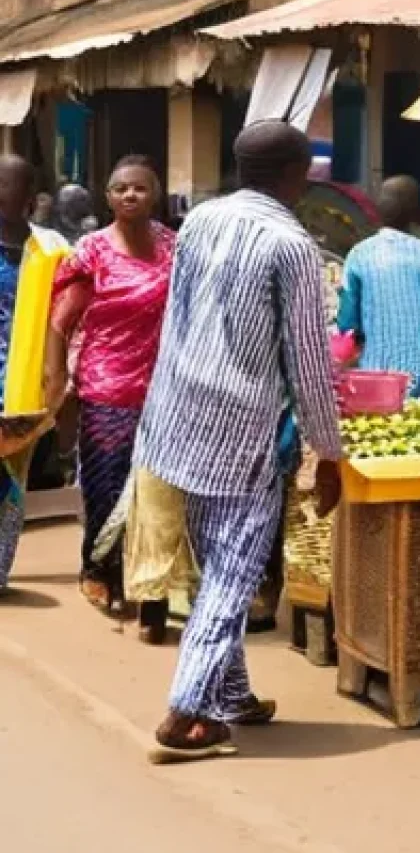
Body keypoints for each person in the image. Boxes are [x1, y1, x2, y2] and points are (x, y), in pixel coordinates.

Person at [135, 121, 343, 763]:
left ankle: (231, 696)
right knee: (236, 568)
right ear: (296, 173)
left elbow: (179, 313)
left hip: (178, 417)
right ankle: (187, 711)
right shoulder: (292, 244)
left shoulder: (199, 221)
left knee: (213, 560)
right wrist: (328, 450)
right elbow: (308, 359)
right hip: (240, 429)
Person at [44, 156, 176, 633]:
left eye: (139, 188)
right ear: (107, 197)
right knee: (107, 484)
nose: (129, 196)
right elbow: (61, 322)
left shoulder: (172, 247)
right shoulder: (93, 250)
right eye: (120, 188)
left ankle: (149, 588)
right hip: (106, 384)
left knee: (154, 493)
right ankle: (100, 570)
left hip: (161, 386)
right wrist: (57, 383)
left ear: (154, 194)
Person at [0, 158, 68, 594]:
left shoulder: (52, 250)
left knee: (11, 483)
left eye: (7, 184)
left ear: (30, 196)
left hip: (23, 388)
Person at [338, 175, 420, 395]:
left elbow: (347, 322)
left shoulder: (361, 255)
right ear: (415, 213)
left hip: (376, 385)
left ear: (377, 210)